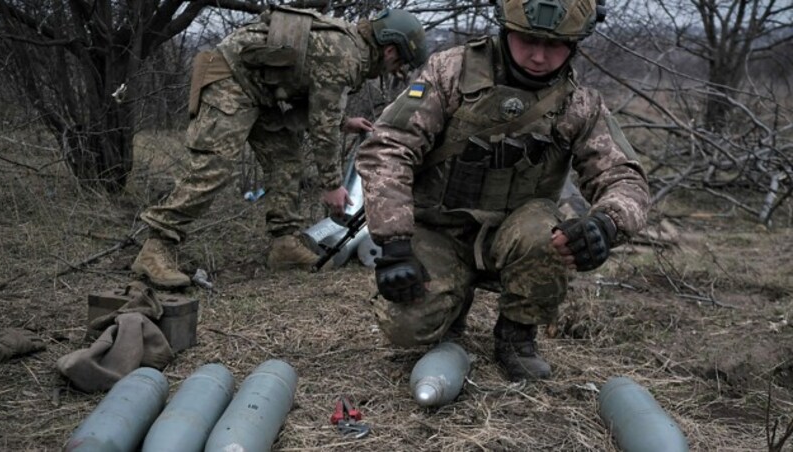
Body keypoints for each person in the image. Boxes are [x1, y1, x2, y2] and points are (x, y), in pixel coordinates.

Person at [355, 0, 650, 382]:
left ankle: (517, 334)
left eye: (556, 45)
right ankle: (452, 304)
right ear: (506, 30)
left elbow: (625, 178)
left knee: (547, 235)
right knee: (406, 330)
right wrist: (393, 242)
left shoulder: (579, 104)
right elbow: (389, 146)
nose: (539, 56)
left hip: (517, 236)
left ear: (575, 44)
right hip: (440, 228)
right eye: (527, 40)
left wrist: (607, 224)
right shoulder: (450, 72)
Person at [130, 7, 427, 288]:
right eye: (399, 62)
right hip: (231, 79)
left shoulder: (350, 50)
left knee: (287, 159)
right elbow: (322, 126)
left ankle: (284, 244)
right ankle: (157, 245)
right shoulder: (346, 55)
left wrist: (344, 121)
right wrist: (333, 185)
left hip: (261, 91)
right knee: (215, 166)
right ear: (390, 50)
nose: (394, 69)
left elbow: (317, 104)